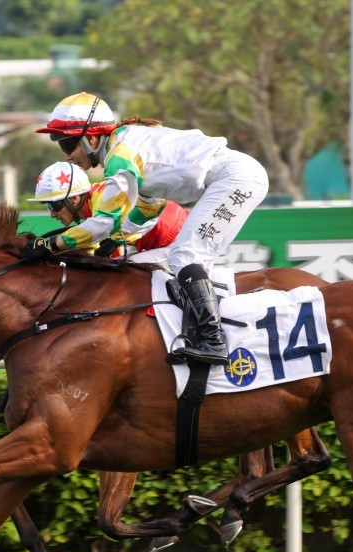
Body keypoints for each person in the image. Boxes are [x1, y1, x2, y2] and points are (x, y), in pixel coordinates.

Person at [32, 92, 269, 365]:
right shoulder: (126, 144)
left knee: (186, 256)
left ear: (91, 138)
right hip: (234, 177)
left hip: (235, 178)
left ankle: (214, 341)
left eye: (68, 145)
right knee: (182, 257)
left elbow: (104, 221)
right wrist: (118, 239)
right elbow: (148, 207)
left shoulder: (119, 156)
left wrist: (53, 245)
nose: (68, 156)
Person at [27, 160, 188, 258]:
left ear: (74, 198)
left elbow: (108, 257)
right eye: (48, 206)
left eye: (54, 205)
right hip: (171, 238)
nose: (52, 214)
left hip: (176, 240)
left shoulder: (101, 205)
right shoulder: (95, 201)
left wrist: (51, 246)